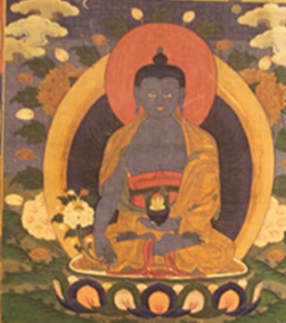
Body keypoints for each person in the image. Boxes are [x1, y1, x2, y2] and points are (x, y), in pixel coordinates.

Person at [88, 47, 236, 275]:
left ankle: (159, 249)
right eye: (150, 93)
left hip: (184, 230)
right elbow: (110, 196)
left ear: (181, 94)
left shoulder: (201, 142)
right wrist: (99, 236)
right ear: (137, 93)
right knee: (100, 247)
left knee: (220, 252)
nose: (159, 100)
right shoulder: (121, 141)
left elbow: (207, 200)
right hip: (136, 227)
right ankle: (156, 249)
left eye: (168, 94)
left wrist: (181, 227)